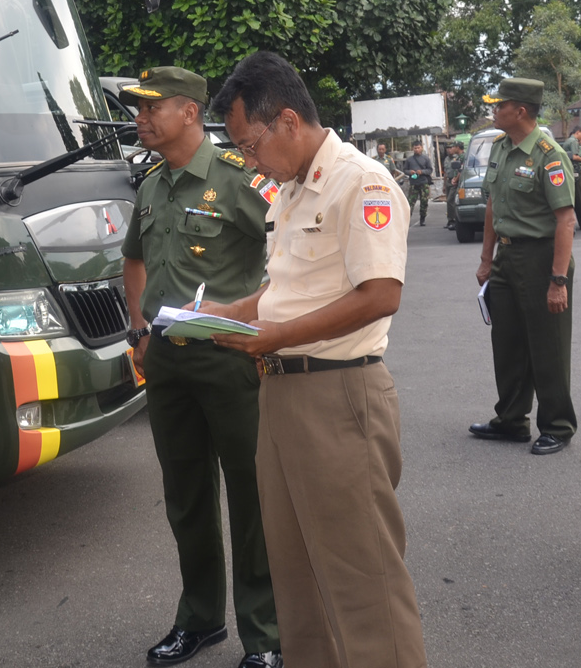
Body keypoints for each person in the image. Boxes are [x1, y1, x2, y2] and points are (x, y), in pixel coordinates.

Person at [204, 51, 427, 668]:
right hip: (282, 393)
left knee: (364, 582)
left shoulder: (362, 181)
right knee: (295, 575)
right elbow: (290, 289)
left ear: (289, 122)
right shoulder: (294, 188)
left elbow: (381, 295)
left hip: (339, 395)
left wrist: (274, 336)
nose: (249, 160)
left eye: (250, 145)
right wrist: (235, 311)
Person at [119, 67, 282, 668]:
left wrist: (262, 319)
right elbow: (133, 262)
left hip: (230, 360)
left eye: (150, 106)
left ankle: (265, 635)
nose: (139, 117)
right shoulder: (152, 186)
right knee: (184, 495)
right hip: (167, 363)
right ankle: (199, 619)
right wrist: (139, 331)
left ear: (189, 112)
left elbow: (288, 252)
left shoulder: (242, 179)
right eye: (136, 108)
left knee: (250, 496)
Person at [469, 79, 579, 455]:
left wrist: (558, 280)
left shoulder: (549, 155)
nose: (493, 111)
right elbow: (492, 206)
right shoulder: (501, 147)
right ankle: (512, 419)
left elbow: (566, 220)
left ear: (520, 110)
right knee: (508, 343)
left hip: (542, 257)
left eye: (499, 106)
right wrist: (487, 259)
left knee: (548, 346)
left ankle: (558, 425)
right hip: (507, 257)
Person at [401, 142, 435, 226]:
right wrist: (410, 172)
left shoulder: (426, 158)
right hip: (413, 183)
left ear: (421, 148)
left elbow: (430, 170)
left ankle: (422, 219)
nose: (416, 149)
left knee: (424, 202)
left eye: (418, 148)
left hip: (424, 183)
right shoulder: (409, 159)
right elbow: (404, 170)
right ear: (413, 149)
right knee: (410, 203)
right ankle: (407, 220)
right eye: (415, 148)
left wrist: (422, 172)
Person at [443, 141, 466, 231]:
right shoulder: (446, 159)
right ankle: (450, 220)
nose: (449, 150)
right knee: (449, 202)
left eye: (451, 147)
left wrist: (456, 179)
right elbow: (445, 172)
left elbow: (460, 170)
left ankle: (454, 220)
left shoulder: (459, 157)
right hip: (449, 181)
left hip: (455, 181)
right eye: (447, 148)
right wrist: (444, 185)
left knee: (451, 201)